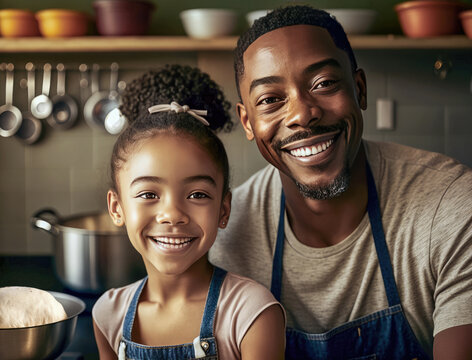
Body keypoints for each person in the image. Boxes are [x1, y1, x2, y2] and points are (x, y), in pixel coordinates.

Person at [209, 5, 472, 360]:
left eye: (324, 84)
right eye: (271, 100)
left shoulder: (451, 204)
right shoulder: (228, 230)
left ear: (359, 90)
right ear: (248, 122)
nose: (302, 114)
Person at [92, 64, 286, 360]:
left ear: (223, 210)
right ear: (117, 208)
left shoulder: (251, 313)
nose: (172, 214)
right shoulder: (107, 315)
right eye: (148, 194)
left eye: (197, 194)